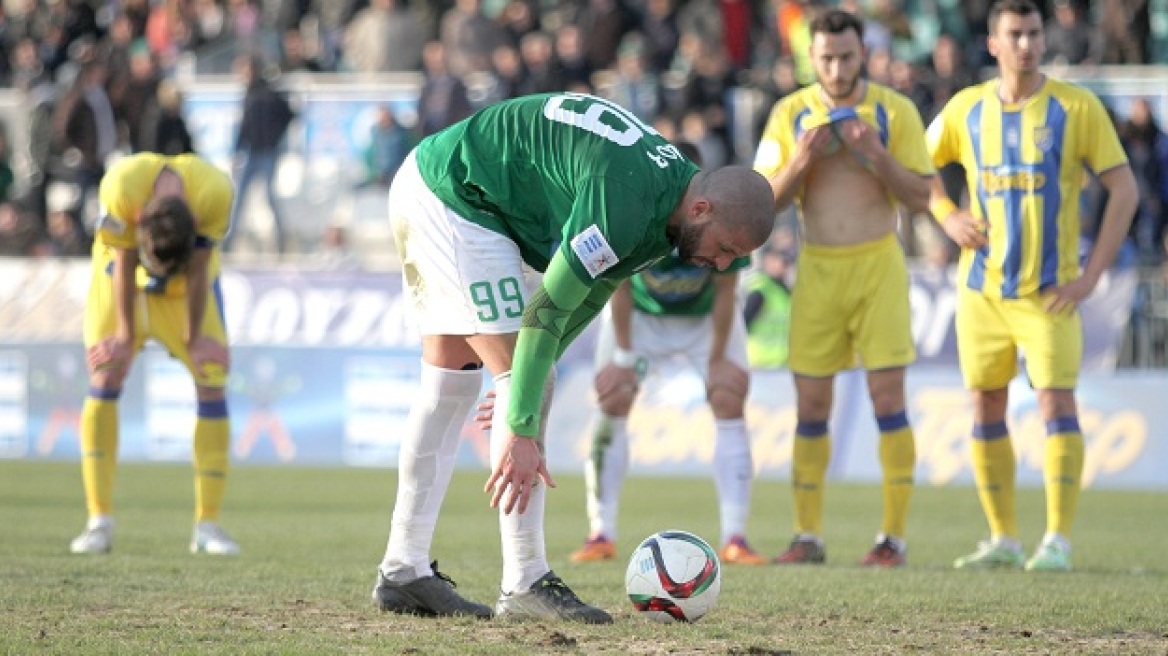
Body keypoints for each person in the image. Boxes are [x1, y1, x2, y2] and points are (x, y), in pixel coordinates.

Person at [371, 92, 775, 622]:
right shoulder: (628, 198)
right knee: (526, 376)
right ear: (702, 209)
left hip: (446, 183)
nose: (722, 265)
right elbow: (543, 313)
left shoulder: (670, 205)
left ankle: (403, 571)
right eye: (726, 248)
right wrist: (520, 419)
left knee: (454, 382)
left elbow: (590, 293)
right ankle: (524, 580)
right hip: (456, 195)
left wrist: (528, 380)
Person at [926, 0, 1138, 572]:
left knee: (1055, 405)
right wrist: (946, 215)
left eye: (1034, 33)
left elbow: (1125, 190)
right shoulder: (966, 108)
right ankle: (1003, 539)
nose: (1026, 44)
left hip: (1048, 293)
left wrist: (1093, 276)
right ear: (993, 44)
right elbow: (918, 171)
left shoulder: (1075, 106)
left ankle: (1058, 541)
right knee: (985, 406)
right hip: (981, 293)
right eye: (1014, 34)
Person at [753, 9, 934, 567]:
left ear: (865, 54)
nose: (835, 67)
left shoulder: (894, 110)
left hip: (879, 267)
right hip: (818, 269)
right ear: (812, 57)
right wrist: (803, 159)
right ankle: (807, 536)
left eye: (846, 57)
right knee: (811, 406)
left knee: (888, 401)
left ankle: (892, 540)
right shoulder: (790, 113)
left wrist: (875, 154)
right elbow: (762, 202)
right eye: (826, 58)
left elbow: (923, 197)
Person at [568, 141, 768, 567]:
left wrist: (717, 360)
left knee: (729, 396)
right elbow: (618, 283)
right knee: (613, 398)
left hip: (703, 320)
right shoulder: (644, 212)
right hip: (639, 315)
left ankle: (736, 536)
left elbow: (725, 291)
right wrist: (623, 356)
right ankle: (600, 531)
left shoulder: (723, 222)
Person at [69, 152, 240, 556]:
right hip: (119, 281)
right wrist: (125, 338)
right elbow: (126, 260)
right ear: (140, 218)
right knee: (106, 370)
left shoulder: (214, 193)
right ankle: (98, 520)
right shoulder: (120, 185)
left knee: (212, 374)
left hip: (186, 294)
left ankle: (208, 524)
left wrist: (194, 336)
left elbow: (198, 268)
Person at [225, 55, 294, 255]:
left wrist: (273, 139)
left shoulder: (267, 92)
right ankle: (229, 241)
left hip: (266, 153)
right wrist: (237, 150)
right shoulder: (249, 93)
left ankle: (281, 240)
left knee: (270, 198)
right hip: (251, 153)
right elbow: (244, 126)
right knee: (239, 198)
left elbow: (287, 115)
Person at [742, 245, 795, 369]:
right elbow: (744, 323)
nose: (782, 265)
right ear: (766, 261)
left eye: (785, 261)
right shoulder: (761, 290)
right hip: (760, 364)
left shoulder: (786, 292)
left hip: (782, 364)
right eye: (777, 260)